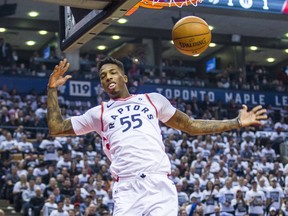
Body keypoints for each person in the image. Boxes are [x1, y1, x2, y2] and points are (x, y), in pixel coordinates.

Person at [46, 57, 267, 216]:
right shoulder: (98, 113)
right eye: (103, 76)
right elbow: (56, 127)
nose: (107, 77)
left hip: (158, 182)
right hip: (126, 187)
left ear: (124, 77)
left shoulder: (152, 100)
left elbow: (190, 125)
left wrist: (236, 122)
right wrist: (52, 89)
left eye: (112, 72)